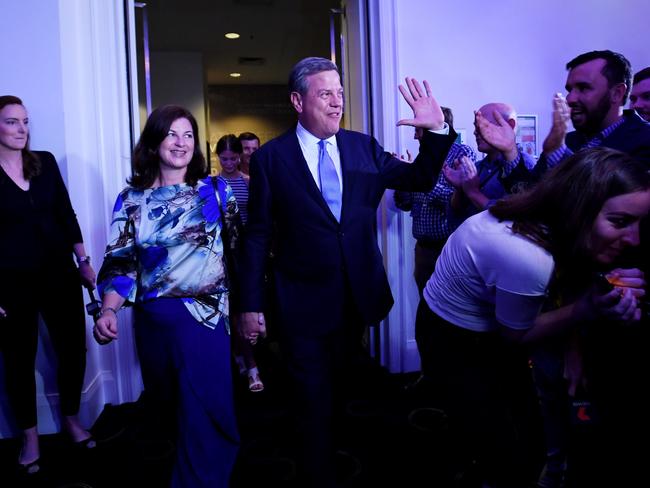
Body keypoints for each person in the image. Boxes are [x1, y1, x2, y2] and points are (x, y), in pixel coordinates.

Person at [238, 56, 455, 487]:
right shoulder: (270, 159)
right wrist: (249, 304)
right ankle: (316, 470)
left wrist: (436, 132)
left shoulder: (363, 147)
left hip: (355, 298)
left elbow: (420, 179)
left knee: (340, 389)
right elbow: (257, 236)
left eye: (339, 93)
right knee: (310, 396)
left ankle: (336, 451)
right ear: (298, 101)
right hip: (299, 301)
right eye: (325, 94)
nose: (337, 103)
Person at [416, 147, 650, 488]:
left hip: (485, 328)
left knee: (522, 433)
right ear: (577, 208)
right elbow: (517, 336)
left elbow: (570, 276)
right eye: (620, 222)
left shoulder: (550, 220)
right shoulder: (526, 255)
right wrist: (588, 309)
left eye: (640, 223)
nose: (634, 239)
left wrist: (576, 343)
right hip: (455, 340)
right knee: (505, 451)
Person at [94, 105, 241, 487]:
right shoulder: (131, 200)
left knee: (205, 405)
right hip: (154, 322)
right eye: (172, 134)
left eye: (189, 135)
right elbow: (120, 261)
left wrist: (250, 310)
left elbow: (238, 252)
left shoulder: (216, 191)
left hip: (205, 318)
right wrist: (108, 311)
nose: (181, 143)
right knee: (171, 405)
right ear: (154, 141)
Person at [0, 95, 97, 474]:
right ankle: (30, 436)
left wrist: (84, 261)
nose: (21, 129)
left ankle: (71, 419)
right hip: (11, 284)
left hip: (59, 274)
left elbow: (65, 213)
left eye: (25, 121)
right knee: (18, 361)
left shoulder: (44, 162)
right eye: (11, 122)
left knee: (73, 350)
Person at [502, 50, 650, 190]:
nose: (570, 99)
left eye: (583, 88)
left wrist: (558, 152)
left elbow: (603, 201)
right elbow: (528, 193)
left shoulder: (644, 140)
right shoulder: (568, 140)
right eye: (569, 90)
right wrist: (509, 150)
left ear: (617, 93)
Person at [393, 106, 476, 294]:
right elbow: (405, 204)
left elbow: (458, 202)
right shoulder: (422, 160)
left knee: (449, 311)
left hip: (449, 248)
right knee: (426, 307)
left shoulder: (462, 154)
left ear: (433, 129)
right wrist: (403, 179)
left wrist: (423, 185)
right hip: (422, 250)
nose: (415, 136)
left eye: (418, 130)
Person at [216, 133, 263, 392]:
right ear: (218, 157)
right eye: (225, 158)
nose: (230, 162)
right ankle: (246, 361)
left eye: (234, 157)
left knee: (246, 306)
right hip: (224, 254)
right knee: (231, 309)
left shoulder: (248, 182)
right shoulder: (212, 185)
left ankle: (244, 356)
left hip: (248, 251)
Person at [444, 102, 536, 230]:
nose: (476, 132)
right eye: (476, 126)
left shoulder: (527, 167)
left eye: (484, 125)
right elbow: (455, 218)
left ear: (509, 126)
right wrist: (460, 189)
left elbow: (515, 219)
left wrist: (474, 193)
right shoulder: (476, 168)